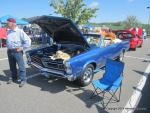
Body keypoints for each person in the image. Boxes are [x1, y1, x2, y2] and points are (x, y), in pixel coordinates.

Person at [6, 18, 31, 87]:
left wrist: (22, 48)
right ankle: (14, 78)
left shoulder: (20, 31)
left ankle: (23, 80)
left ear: (13, 23)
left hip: (17, 51)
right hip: (10, 51)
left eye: (8, 22)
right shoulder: (8, 31)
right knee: (12, 66)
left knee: (21, 66)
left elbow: (28, 41)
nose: (7, 24)